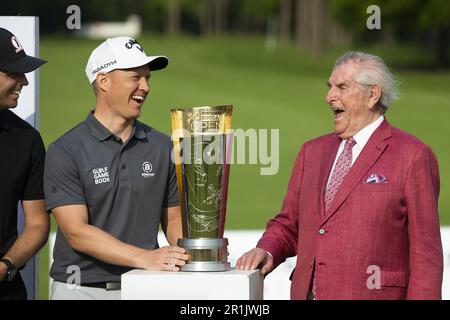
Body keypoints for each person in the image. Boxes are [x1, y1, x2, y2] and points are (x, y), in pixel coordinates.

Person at [236, 51, 443, 300]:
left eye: (342, 87)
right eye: (329, 87)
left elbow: (426, 255)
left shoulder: (413, 156)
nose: (329, 97)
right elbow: (289, 224)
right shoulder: (311, 152)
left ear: (372, 95)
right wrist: (266, 250)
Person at [44, 36, 189, 300]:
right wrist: (145, 257)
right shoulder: (65, 150)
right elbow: (77, 233)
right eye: (135, 77)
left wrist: (199, 252)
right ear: (104, 81)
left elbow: (175, 220)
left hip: (145, 286)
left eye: (147, 78)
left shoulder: (162, 146)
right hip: (81, 291)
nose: (144, 87)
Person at [0, 27, 49, 299]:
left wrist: (6, 265)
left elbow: (37, 224)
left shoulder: (27, 139)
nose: (25, 82)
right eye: (13, 73)